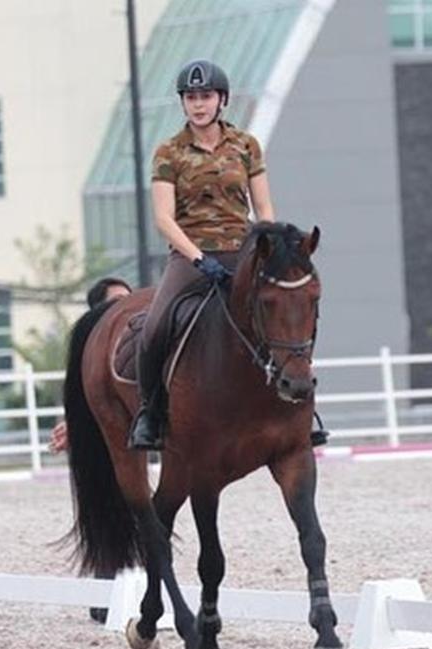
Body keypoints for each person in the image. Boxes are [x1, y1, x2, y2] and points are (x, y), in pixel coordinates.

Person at [127, 59, 274, 450]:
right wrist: (197, 258)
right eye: (191, 97)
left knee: (285, 313)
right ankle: (150, 412)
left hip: (241, 252)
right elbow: (163, 217)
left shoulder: (246, 145)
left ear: (221, 99)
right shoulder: (169, 152)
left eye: (205, 96)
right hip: (191, 258)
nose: (198, 104)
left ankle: (299, 407)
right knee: (154, 327)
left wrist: (264, 249)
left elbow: (264, 209)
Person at [48, 277, 133, 454]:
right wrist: (74, 425)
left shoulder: (140, 346)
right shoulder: (89, 354)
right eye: (117, 302)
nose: (128, 307)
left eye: (129, 299)